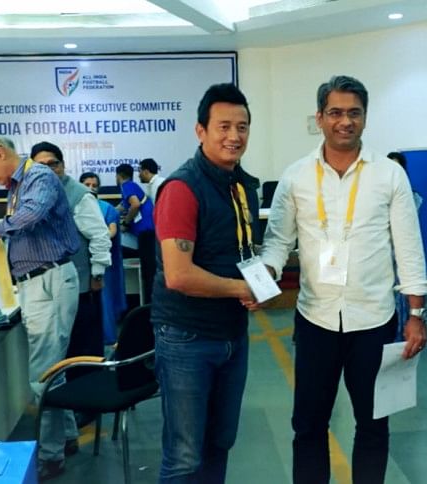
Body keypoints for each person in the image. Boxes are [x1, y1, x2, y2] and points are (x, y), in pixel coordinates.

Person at [261, 75, 427, 484]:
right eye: (335, 112)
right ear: (319, 117)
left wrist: (416, 314)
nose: (345, 121)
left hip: (374, 320)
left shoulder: (389, 175)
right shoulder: (296, 176)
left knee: (373, 425)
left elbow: (408, 248)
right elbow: (277, 242)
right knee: (308, 425)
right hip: (315, 320)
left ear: (365, 117)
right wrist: (264, 276)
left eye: (354, 113)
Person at [151, 83, 259, 483]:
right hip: (187, 338)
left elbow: (241, 250)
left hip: (232, 333)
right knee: (184, 455)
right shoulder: (182, 188)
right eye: (223, 126)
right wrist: (241, 289)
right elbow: (179, 275)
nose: (234, 136)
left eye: (242, 127)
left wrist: (258, 280)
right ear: (201, 130)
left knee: (220, 442)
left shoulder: (242, 185)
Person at [0, 135, 80, 482]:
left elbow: (31, 215)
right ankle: (68, 437)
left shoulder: (38, 176)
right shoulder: (17, 186)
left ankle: (50, 455)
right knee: (53, 368)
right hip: (37, 283)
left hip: (48, 281)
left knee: (43, 375)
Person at [31, 142, 111, 375]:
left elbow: (99, 236)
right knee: (57, 350)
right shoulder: (31, 193)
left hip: (81, 286)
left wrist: (97, 274)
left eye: (53, 164)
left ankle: (87, 395)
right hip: (46, 287)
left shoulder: (79, 195)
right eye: (41, 166)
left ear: (63, 165)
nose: (48, 170)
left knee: (83, 348)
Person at [80, 172, 126, 345]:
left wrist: (95, 236)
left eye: (94, 185)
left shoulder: (107, 208)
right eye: (87, 185)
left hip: (103, 264)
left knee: (105, 302)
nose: (91, 188)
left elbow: (111, 231)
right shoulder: (74, 207)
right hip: (80, 264)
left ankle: (108, 341)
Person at [386, 151, 423, 343]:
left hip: (401, 255)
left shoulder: (412, 197)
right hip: (382, 258)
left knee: (403, 297)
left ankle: (402, 335)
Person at [115, 162, 156, 303]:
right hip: (146, 232)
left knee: (148, 271)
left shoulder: (127, 186)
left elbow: (135, 204)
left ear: (118, 176)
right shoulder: (131, 187)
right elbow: (121, 206)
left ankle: (149, 303)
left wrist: (126, 223)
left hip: (146, 232)